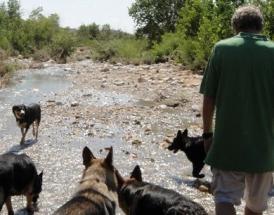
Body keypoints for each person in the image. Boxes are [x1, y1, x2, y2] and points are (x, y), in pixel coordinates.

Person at [200, 5, 274, 215]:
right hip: (264, 148)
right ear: (261, 26)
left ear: (235, 27)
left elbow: (209, 98)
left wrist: (207, 133)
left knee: (223, 198)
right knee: (255, 207)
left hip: (227, 145)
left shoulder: (222, 49)